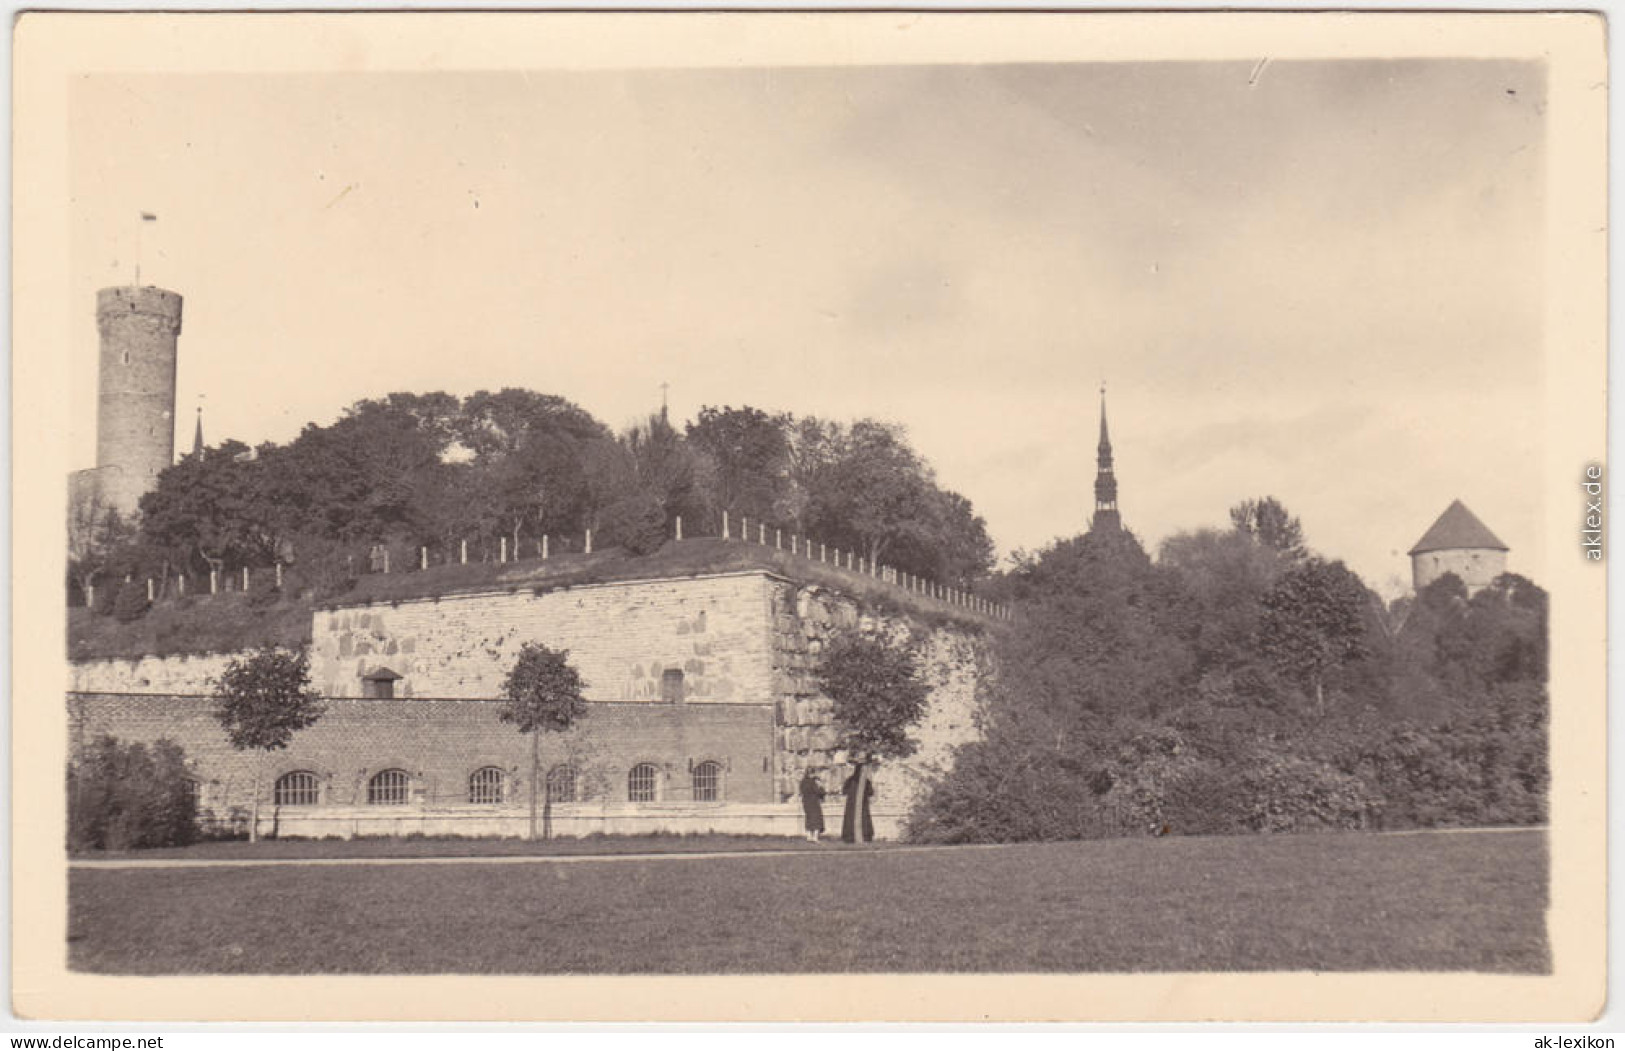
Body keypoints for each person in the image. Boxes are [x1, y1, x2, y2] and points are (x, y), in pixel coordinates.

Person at [840, 763, 876, 844]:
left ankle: (850, 836)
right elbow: (871, 792)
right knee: (863, 818)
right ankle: (864, 835)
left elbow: (844, 791)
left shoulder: (850, 780)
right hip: (862, 803)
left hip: (852, 803)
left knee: (851, 818)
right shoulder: (865, 781)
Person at [798, 768, 826, 843]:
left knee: (809, 818)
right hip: (814, 802)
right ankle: (815, 837)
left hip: (806, 803)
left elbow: (801, 791)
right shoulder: (813, 782)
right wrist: (821, 787)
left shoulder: (803, 782)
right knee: (817, 819)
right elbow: (819, 792)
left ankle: (809, 836)